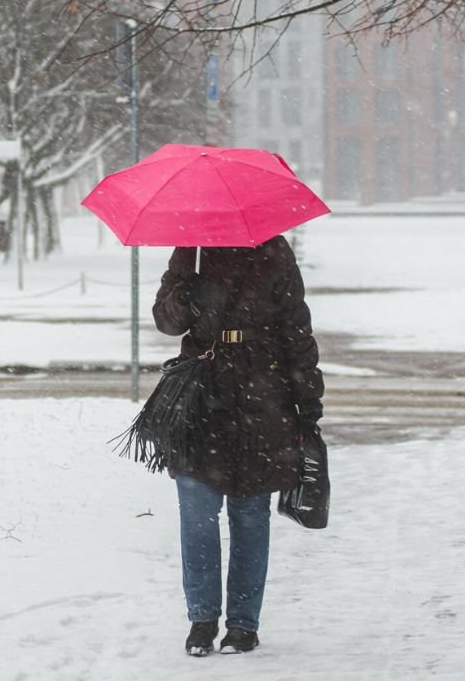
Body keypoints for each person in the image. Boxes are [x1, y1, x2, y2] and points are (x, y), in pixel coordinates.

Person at [152, 239, 324, 657]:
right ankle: (202, 620)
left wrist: (308, 403)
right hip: (201, 397)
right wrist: (184, 295)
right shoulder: (190, 249)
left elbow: (296, 330)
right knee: (197, 516)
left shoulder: (272, 250)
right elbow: (166, 322)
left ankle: (243, 624)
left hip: (260, 398)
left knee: (250, 517)